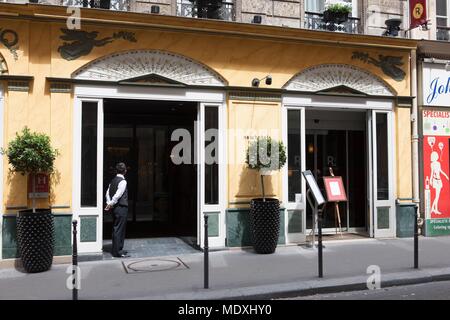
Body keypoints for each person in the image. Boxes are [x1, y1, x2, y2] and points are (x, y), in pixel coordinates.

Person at [105, 162, 130, 258]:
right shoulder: (123, 181)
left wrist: (109, 203)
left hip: (115, 208)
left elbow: (107, 193)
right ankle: (117, 252)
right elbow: (118, 194)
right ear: (125, 171)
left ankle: (118, 249)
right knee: (119, 229)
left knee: (117, 228)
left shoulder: (112, 180)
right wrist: (111, 203)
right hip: (121, 208)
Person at [430, 151, 449, 215]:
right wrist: (430, 180)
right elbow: (432, 173)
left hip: (439, 180)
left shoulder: (438, 163)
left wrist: (446, 175)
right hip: (435, 180)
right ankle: (435, 209)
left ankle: (433, 208)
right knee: (437, 196)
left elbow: (440, 170)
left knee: (437, 196)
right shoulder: (432, 164)